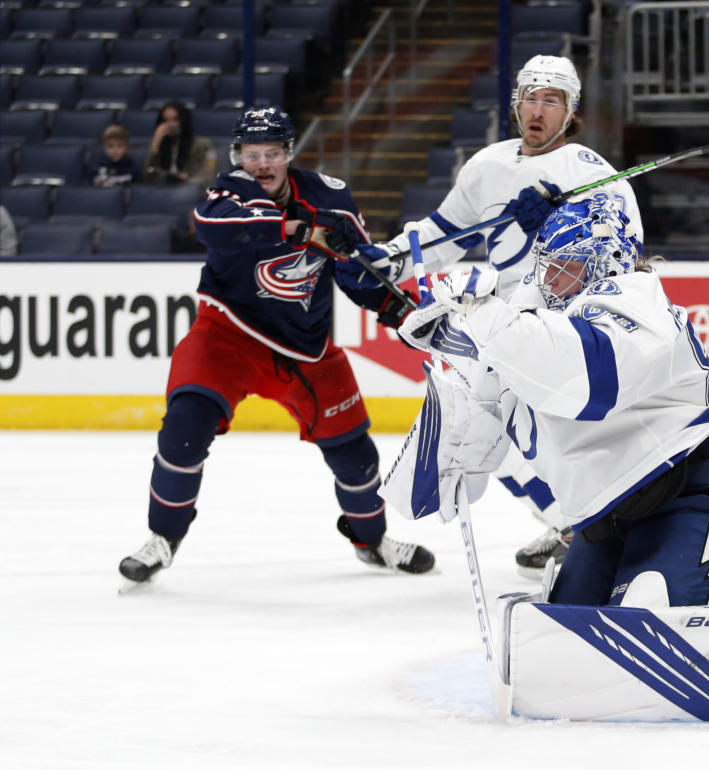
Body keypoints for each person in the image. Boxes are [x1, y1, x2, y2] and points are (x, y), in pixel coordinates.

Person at [390, 195, 709, 609]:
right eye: (549, 265)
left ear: (609, 262)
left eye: (570, 266)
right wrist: (456, 346)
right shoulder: (537, 323)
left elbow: (585, 378)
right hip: (617, 514)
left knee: (646, 619)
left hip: (708, 495)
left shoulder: (638, 299)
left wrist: (483, 317)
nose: (552, 280)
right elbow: (464, 440)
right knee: (562, 638)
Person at [339, 54, 645, 576]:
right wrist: (393, 255)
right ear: (515, 104)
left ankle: (599, 527)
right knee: (484, 433)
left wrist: (557, 221)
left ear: (571, 112)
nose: (539, 109)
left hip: (564, 322)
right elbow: (446, 231)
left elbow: (625, 251)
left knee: (556, 435)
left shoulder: (591, 173)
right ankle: (573, 526)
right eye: (530, 97)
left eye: (552, 100)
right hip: (506, 321)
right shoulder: (488, 166)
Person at [118, 106, 434, 583]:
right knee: (184, 430)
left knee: (357, 456)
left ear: (289, 154)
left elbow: (355, 272)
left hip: (305, 349)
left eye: (271, 154)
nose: (261, 164)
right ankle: (163, 538)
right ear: (238, 157)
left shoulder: (332, 198)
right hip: (228, 335)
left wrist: (401, 312)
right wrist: (300, 229)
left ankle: (373, 542)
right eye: (251, 154)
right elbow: (214, 228)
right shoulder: (229, 190)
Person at [144, 100, 217, 188]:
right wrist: (155, 145)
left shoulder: (203, 145)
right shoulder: (161, 145)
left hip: (190, 191)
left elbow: (208, 176)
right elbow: (148, 177)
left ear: (184, 120)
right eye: (165, 120)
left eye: (175, 119)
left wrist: (187, 179)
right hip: (163, 191)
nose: (170, 125)